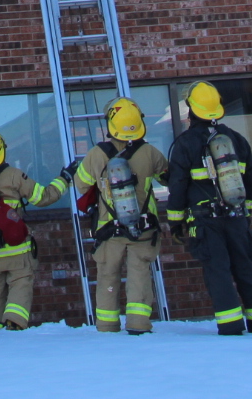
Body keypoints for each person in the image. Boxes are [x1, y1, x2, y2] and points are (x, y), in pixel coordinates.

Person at [166, 81, 252, 335]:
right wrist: (245, 211)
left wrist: (175, 222)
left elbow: (178, 186)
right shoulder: (236, 139)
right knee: (245, 267)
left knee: (218, 270)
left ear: (191, 109)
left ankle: (231, 325)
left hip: (205, 221)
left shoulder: (185, 143)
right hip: (236, 217)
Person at [0, 129, 72, 329]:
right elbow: (43, 197)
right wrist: (64, 179)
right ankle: (15, 323)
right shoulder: (14, 176)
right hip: (17, 248)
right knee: (21, 283)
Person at [74, 97, 169, 334]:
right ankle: (138, 324)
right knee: (139, 276)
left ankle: (107, 325)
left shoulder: (96, 154)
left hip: (109, 230)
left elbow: (81, 185)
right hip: (143, 228)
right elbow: (168, 178)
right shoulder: (150, 152)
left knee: (107, 276)